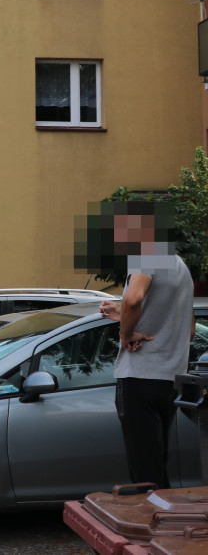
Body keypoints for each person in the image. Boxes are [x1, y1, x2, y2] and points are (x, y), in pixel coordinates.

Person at [98, 203, 195, 490]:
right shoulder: (179, 265)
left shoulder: (146, 254)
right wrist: (123, 313)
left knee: (144, 472)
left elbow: (134, 299)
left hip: (139, 375)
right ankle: (162, 515)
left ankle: (153, 518)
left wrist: (125, 333)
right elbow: (188, 328)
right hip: (170, 378)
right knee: (155, 464)